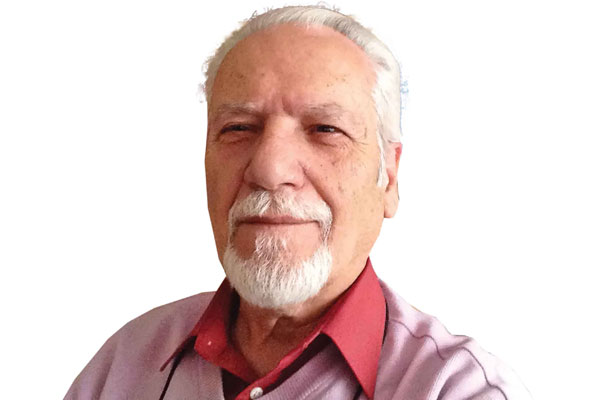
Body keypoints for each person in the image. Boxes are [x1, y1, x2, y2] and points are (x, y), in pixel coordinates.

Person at [65, 5, 531, 400]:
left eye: (325, 129)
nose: (269, 169)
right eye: (238, 128)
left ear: (389, 178)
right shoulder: (125, 365)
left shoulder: (456, 389)